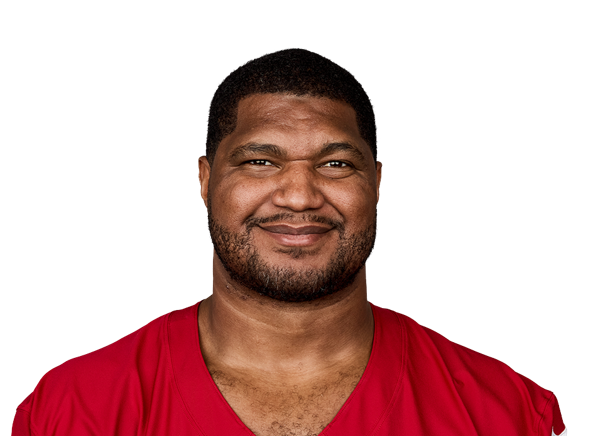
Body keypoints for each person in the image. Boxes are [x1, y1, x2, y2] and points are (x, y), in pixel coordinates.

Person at [12, 48, 566, 436]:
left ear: (376, 184)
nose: (299, 197)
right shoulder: (69, 409)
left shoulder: (514, 414)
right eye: (260, 161)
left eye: (336, 163)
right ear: (205, 180)